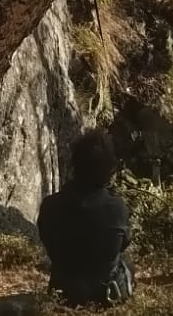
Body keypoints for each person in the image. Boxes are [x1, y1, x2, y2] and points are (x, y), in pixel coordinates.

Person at [37, 129, 133, 306]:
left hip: (63, 294)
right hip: (106, 296)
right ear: (108, 169)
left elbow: (46, 239)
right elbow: (124, 243)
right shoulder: (117, 208)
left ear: (75, 165)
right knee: (127, 264)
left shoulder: (49, 206)